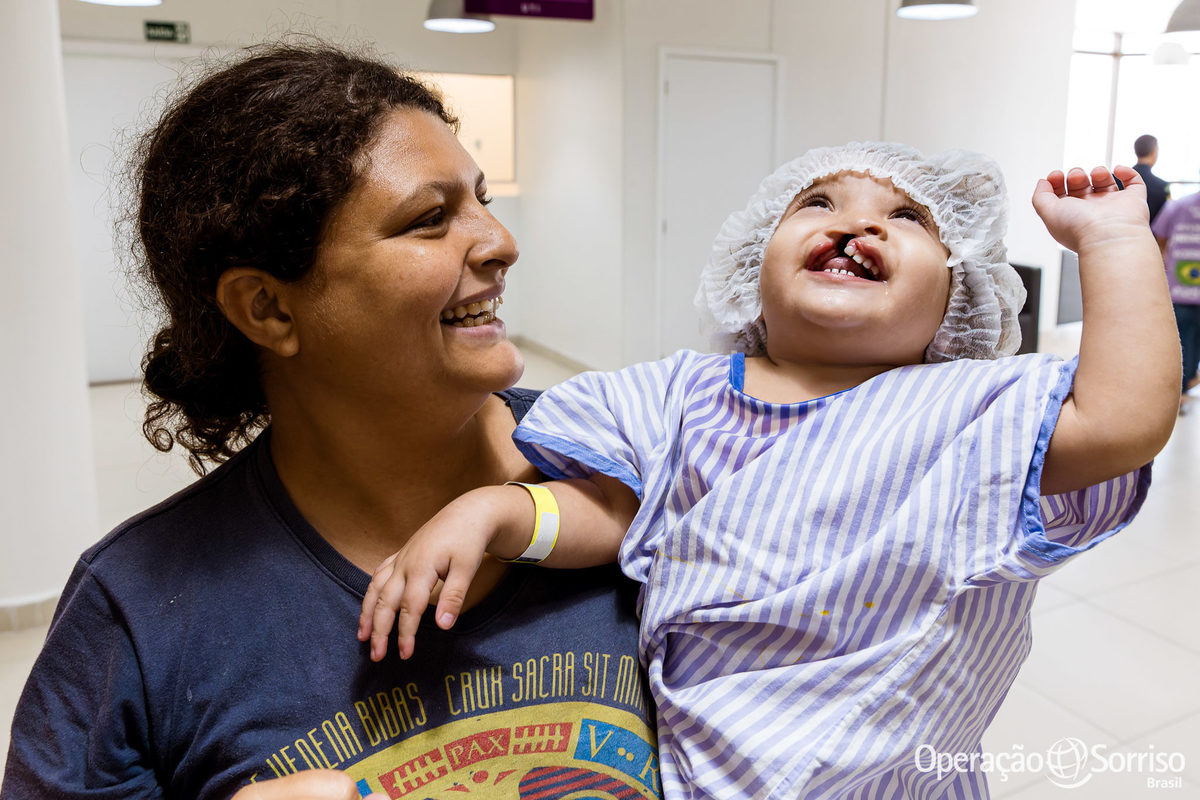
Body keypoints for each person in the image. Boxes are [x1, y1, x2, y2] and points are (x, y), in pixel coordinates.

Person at [360, 142, 1180, 798]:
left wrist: (1113, 240)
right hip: (704, 761)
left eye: (907, 217)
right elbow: (616, 515)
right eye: (817, 204)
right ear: (754, 261)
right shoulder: (676, 393)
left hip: (886, 771)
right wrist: (497, 516)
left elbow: (1123, 421)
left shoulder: (973, 409)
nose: (858, 223)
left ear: (959, 299)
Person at [1, 43, 658, 800]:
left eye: (483, 200)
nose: (502, 243)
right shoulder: (137, 616)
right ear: (269, 307)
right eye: (431, 218)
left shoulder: (635, 468)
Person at [1152, 189, 1200, 413]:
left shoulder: (1177, 206)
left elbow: (1159, 238)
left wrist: (1166, 261)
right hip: (1183, 292)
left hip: (1178, 289)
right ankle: (1183, 388)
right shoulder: (1176, 206)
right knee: (1191, 344)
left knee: (1180, 344)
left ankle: (1181, 389)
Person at [1134, 133, 1171, 223]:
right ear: (1154, 152)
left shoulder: (1117, 178)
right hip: (1149, 235)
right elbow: (1166, 217)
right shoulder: (1162, 186)